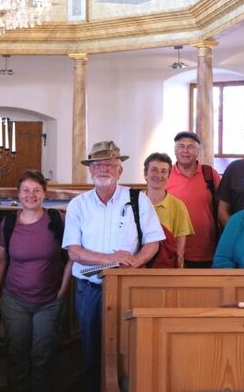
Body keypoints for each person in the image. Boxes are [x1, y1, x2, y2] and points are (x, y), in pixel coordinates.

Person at [63, 141, 163, 392]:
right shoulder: (78, 205)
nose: (103, 169)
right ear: (90, 170)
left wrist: (133, 265)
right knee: (91, 351)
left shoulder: (138, 200)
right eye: (97, 164)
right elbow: (74, 252)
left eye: (110, 164)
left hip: (127, 287)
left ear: (120, 171)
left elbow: (153, 242)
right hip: (89, 289)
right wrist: (112, 260)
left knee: (126, 351)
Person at [0, 170, 72, 392]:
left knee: (42, 357)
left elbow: (72, 258)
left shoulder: (58, 220)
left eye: (37, 190)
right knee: (17, 356)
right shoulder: (8, 224)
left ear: (44, 194)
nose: (31, 195)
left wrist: (62, 291)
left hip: (49, 301)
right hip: (14, 300)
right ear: (18, 194)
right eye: (26, 190)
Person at [166, 131, 222, 268]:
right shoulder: (165, 174)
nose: (185, 150)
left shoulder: (210, 174)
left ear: (198, 151)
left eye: (191, 146)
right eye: (181, 146)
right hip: (171, 251)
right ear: (175, 150)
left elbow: (222, 206)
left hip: (206, 251)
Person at [142, 152, 194, 268]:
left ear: (168, 176)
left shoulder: (178, 206)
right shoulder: (133, 203)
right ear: (145, 174)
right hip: (137, 268)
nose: (158, 175)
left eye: (164, 171)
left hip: (166, 269)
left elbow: (179, 252)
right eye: (154, 170)